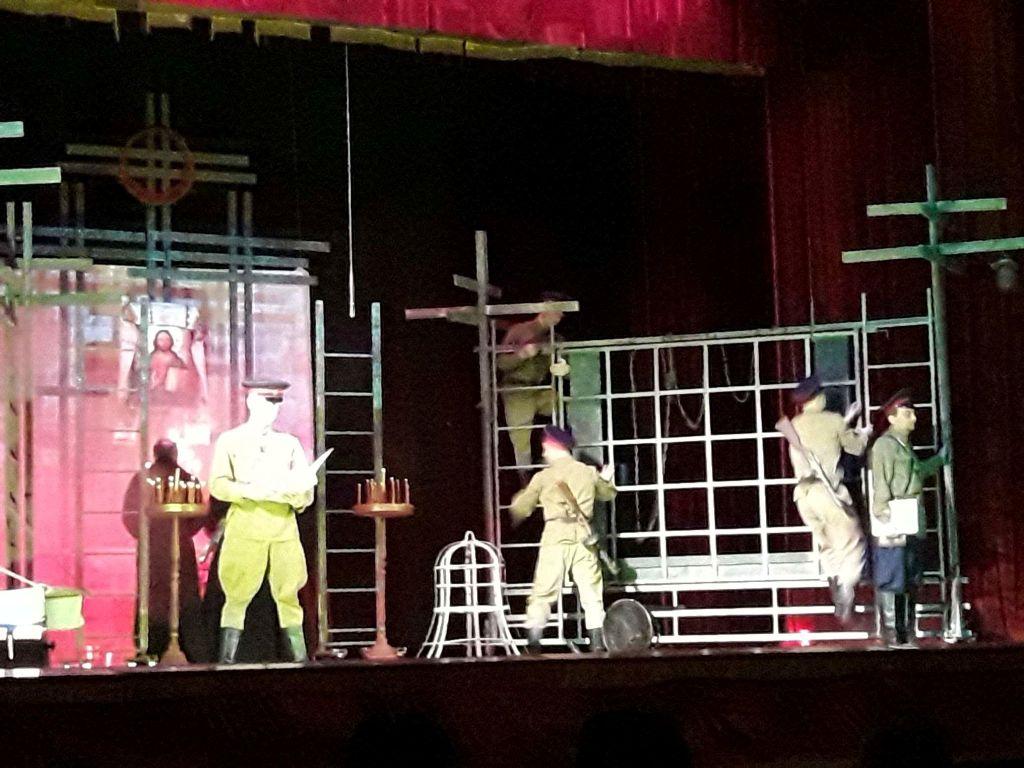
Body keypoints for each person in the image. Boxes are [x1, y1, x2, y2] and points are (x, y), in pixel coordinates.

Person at [209, 380, 316, 663]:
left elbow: (305, 492)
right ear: (251, 403)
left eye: (277, 404)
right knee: (236, 597)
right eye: (267, 403)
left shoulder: (289, 444)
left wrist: (296, 494)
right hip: (245, 528)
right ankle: (226, 662)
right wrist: (250, 491)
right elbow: (218, 484)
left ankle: (301, 662)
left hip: (283, 530)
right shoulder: (230, 441)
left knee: (289, 595)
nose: (273, 410)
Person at [509, 425, 617, 651]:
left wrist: (516, 502)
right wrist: (606, 479)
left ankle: (533, 648)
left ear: (552, 446)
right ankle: (598, 648)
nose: (543, 453)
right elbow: (607, 494)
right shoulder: (587, 472)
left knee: (543, 593)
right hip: (584, 538)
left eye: (545, 448)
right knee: (592, 595)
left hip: (555, 537)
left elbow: (521, 508)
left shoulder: (543, 477)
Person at [782, 376, 870, 623]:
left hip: (803, 495)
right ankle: (846, 590)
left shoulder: (796, 424)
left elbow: (819, 439)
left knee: (827, 543)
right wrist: (863, 433)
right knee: (852, 541)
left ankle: (835, 585)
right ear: (819, 398)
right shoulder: (832, 420)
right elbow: (855, 447)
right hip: (826, 491)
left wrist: (845, 421)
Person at [869, 389, 947, 646]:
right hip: (894, 518)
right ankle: (893, 634)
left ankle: (906, 633)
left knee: (910, 577)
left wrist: (938, 460)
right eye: (907, 414)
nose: (913, 418)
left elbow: (915, 473)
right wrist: (883, 513)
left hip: (910, 517)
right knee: (893, 576)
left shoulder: (903, 445)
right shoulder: (885, 445)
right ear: (892, 418)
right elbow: (881, 482)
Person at [121, 439, 208, 661]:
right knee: (184, 595)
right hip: (179, 547)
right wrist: (182, 533)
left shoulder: (142, 479)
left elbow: (129, 515)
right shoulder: (187, 479)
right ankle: (189, 645)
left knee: (151, 595)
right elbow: (199, 515)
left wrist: (146, 534)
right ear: (175, 454)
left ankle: (150, 645)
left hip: (151, 550)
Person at [496, 294, 570, 482]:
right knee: (521, 436)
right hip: (517, 389)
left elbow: (567, 369)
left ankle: (557, 459)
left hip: (540, 388)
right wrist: (522, 354)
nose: (559, 316)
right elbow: (501, 363)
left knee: (562, 404)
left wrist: (563, 368)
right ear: (544, 308)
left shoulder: (556, 338)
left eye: (561, 313)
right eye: (557, 311)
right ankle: (525, 479)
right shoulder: (520, 331)